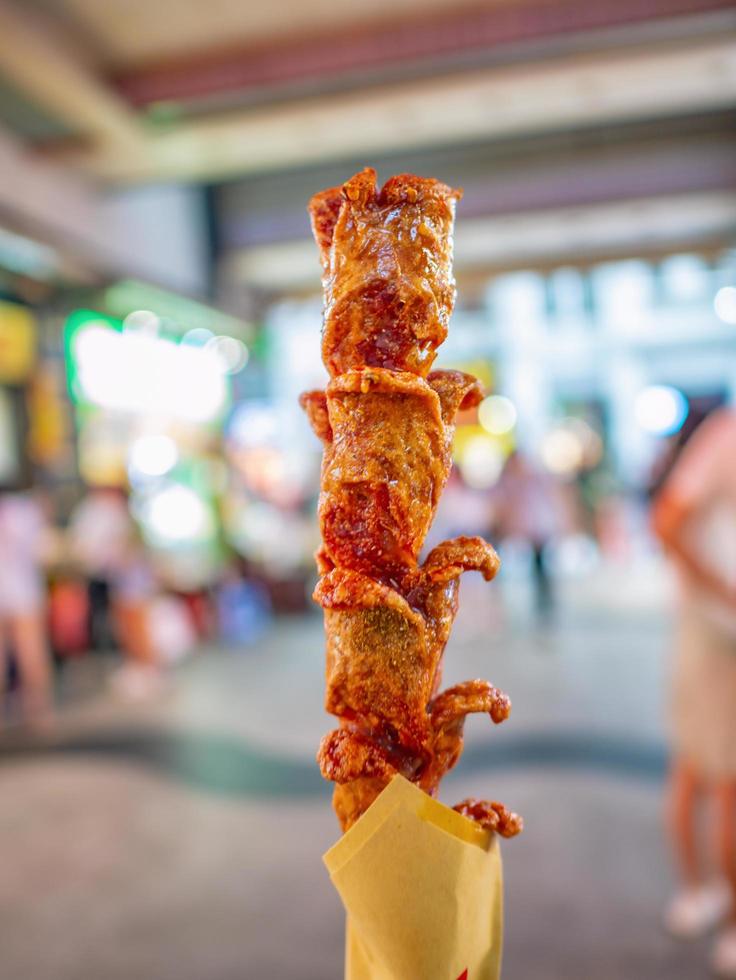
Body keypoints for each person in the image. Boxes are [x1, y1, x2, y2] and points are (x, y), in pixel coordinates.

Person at [653, 407, 736, 978]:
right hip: (718, 634)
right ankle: (721, 914)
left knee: (698, 767)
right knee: (724, 778)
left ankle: (699, 894)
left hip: (712, 628)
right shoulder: (726, 435)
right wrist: (725, 596)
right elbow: (668, 522)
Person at [68, 487, 161, 699]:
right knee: (127, 627)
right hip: (123, 583)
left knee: (137, 626)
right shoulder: (115, 517)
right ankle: (139, 669)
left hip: (133, 584)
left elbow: (127, 552)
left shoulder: (123, 519)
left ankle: (149, 671)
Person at [0, 488, 53, 727]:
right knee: (30, 651)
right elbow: (43, 550)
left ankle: (34, 706)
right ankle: (38, 708)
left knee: (24, 651)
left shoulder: (22, 511)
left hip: (16, 590)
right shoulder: (26, 511)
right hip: (23, 592)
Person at [493, 450, 567, 617]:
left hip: (537, 530)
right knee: (509, 565)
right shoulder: (512, 481)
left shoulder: (534, 480)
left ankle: (545, 603)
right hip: (522, 529)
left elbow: (551, 503)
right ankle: (509, 603)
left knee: (540, 567)